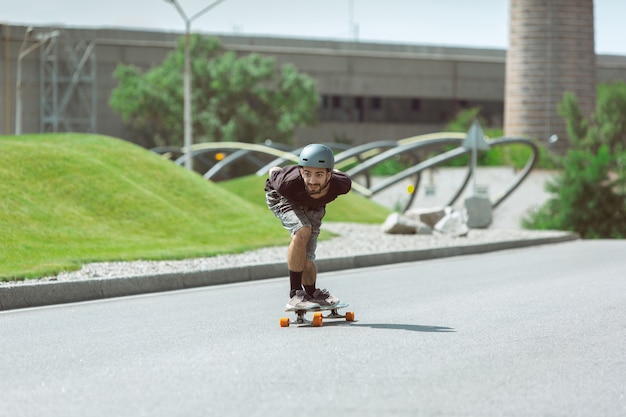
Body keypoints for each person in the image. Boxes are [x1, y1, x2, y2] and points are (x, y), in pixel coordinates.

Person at [265, 144, 352, 310]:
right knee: (302, 230)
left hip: (314, 205)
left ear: (329, 174)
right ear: (301, 171)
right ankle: (296, 294)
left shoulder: (342, 184)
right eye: (307, 173)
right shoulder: (287, 182)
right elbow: (273, 170)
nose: (312, 181)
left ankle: (312, 293)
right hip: (283, 198)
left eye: (319, 174)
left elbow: (341, 175)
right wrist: (281, 172)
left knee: (307, 256)